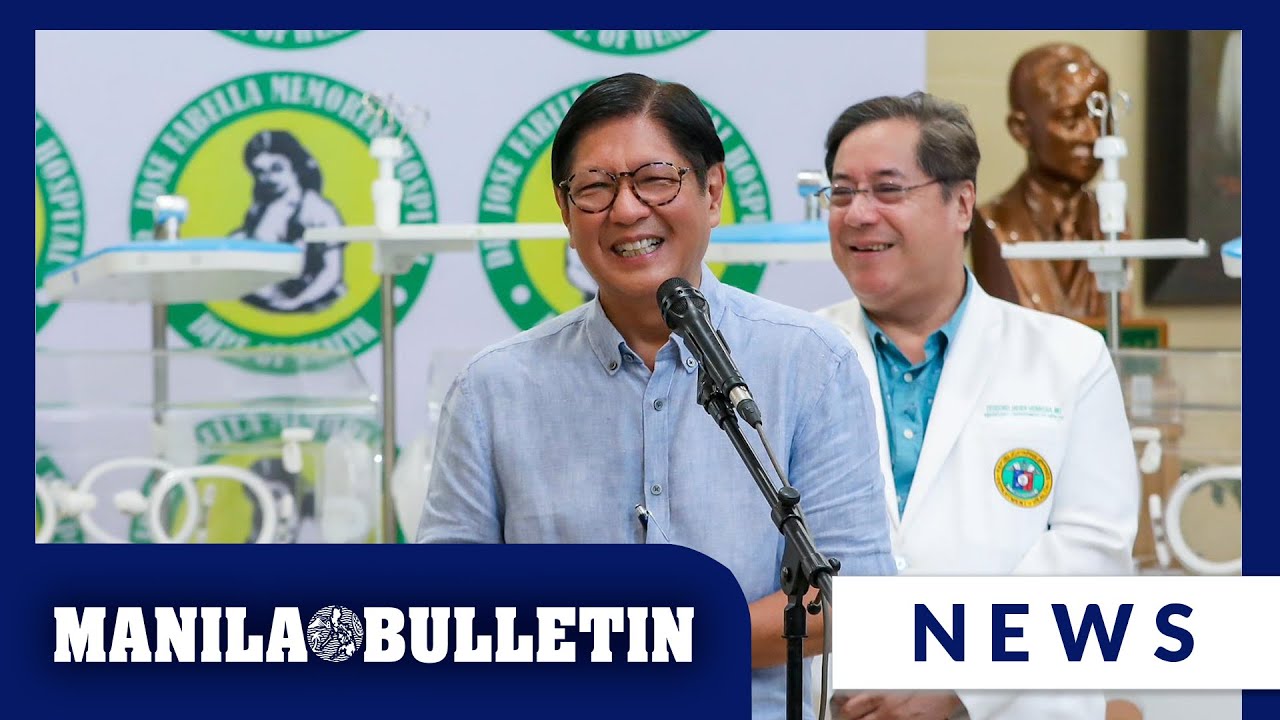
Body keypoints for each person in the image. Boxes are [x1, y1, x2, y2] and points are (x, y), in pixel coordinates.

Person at [417, 72, 896, 720]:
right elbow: (443, 612)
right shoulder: (493, 389)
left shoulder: (810, 362)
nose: (626, 210)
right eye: (595, 187)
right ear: (565, 211)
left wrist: (659, 642)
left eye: (655, 179)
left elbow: (852, 595)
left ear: (713, 191)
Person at [814, 91, 1139, 720]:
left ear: (961, 204)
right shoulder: (788, 356)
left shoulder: (1068, 357)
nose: (858, 214)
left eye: (887, 189)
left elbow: (1091, 554)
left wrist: (958, 683)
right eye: (842, 192)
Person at [971, 43, 1131, 321]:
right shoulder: (993, 223)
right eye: (1070, 120)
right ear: (1021, 130)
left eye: (1100, 118)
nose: (1093, 136)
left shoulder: (1112, 220)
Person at [233, 129, 347, 314]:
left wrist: (297, 302)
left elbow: (331, 271)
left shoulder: (317, 210)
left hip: (309, 303)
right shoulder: (261, 206)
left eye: (277, 169)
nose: (269, 178)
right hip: (263, 301)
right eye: (260, 172)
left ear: (295, 166)